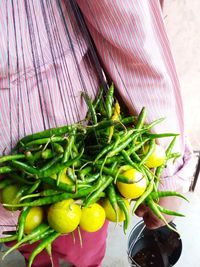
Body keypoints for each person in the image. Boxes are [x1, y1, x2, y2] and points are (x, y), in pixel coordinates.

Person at [0, 0, 193, 266]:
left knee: (46, 243)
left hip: (41, 180)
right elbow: (129, 29)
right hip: (61, 149)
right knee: (70, 248)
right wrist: (168, 174)